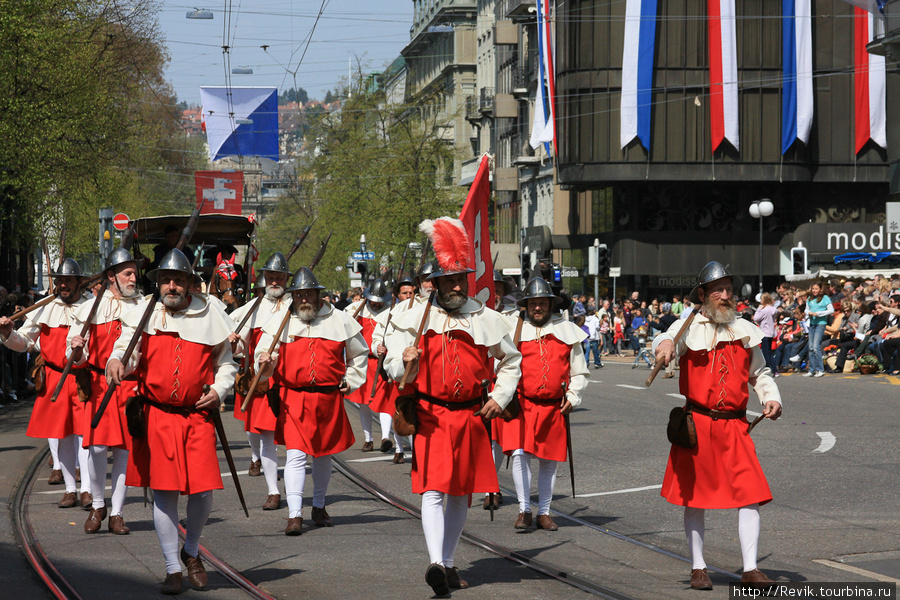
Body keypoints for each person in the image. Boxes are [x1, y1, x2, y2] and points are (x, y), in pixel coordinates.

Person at [384, 217, 521, 596]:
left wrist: (499, 397)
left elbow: (511, 361)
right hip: (430, 416)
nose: (457, 286)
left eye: (461, 279)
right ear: (437, 283)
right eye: (449, 280)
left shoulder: (486, 317)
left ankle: (446, 560)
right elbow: (393, 367)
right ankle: (436, 563)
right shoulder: (413, 318)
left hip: (472, 416)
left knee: (461, 492)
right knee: (432, 490)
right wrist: (405, 360)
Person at [106, 249, 237, 595]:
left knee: (203, 490)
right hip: (158, 417)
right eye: (166, 280)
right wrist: (117, 362)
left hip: (197, 416)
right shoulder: (144, 313)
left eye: (179, 280)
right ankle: (171, 567)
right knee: (164, 492)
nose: (172, 286)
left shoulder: (212, 315)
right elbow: (125, 349)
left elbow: (228, 363)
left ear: (191, 283)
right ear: (159, 283)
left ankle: (191, 551)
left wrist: (221, 388)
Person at [653, 261, 782, 590]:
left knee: (750, 495)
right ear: (703, 295)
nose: (725, 295)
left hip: (735, 427)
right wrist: (664, 347)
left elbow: (759, 373)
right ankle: (698, 567)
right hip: (697, 426)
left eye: (729, 290)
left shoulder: (745, 329)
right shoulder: (687, 326)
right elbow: (666, 340)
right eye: (718, 290)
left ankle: (750, 569)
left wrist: (771, 397)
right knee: (695, 498)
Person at [256, 267, 368, 535]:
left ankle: (319, 505)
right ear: (293, 297)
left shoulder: (340, 320)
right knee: (295, 454)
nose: (304, 298)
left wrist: (350, 379)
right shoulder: (280, 322)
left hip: (328, 399)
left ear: (319, 295)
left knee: (323, 453)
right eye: (299, 294)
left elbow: (359, 355)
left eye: (309, 293)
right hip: (293, 398)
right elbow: (263, 352)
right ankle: (295, 514)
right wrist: (266, 361)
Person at [0, 259, 93, 509]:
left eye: (68, 280)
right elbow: (25, 343)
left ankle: (86, 489)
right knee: (61, 435)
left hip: (83, 378)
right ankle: (70, 489)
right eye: (60, 280)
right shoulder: (43, 308)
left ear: (79, 282)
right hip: (54, 378)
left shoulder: (91, 307)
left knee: (85, 434)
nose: (63, 285)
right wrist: (9, 334)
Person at [499, 277, 588, 531]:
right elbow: (501, 364)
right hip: (522, 405)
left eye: (542, 303)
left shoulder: (567, 330)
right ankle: (524, 509)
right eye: (533, 303)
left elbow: (579, 371)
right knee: (519, 455)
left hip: (553, 407)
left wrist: (573, 397)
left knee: (549, 461)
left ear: (551, 305)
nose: (538, 308)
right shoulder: (514, 329)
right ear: (526, 305)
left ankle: (545, 512)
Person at [67, 249, 144, 534]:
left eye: (135, 273)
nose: (133, 278)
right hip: (99, 386)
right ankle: (98, 504)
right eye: (127, 273)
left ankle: (118, 513)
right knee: (97, 448)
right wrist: (76, 350)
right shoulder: (90, 308)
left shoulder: (143, 306)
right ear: (111, 276)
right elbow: (76, 354)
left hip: (129, 388)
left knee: (124, 450)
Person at [228, 253, 291, 511]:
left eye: (279, 277)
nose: (274, 281)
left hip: (288, 378)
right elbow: (240, 343)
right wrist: (234, 342)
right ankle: (273, 490)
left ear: (286, 279)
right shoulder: (253, 308)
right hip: (262, 377)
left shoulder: (294, 305)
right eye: (271, 277)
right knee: (262, 434)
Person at [371, 276, 419, 464]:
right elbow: (377, 338)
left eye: (411, 292)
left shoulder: (422, 312)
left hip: (416, 370)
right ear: (398, 295)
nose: (408, 296)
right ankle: (399, 448)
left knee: (414, 412)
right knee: (397, 410)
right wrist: (378, 348)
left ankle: (416, 451)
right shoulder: (388, 315)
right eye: (405, 293)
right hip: (395, 369)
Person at [344, 279, 392, 452]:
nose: (376, 304)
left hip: (382, 362)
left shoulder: (390, 310)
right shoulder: (357, 309)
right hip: (363, 361)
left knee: (385, 400)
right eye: (373, 300)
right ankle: (368, 438)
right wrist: (350, 318)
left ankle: (386, 436)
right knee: (363, 402)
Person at [752, 293, 778, 374]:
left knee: (765, 353)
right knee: (770, 352)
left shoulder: (764, 310)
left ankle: (768, 369)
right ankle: (775, 370)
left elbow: (756, 318)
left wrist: (759, 309)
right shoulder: (773, 309)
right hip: (771, 332)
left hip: (764, 332)